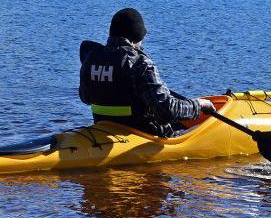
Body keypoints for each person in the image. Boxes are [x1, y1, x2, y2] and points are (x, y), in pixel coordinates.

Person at [79, 8, 214, 137]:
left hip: (105, 128)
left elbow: (85, 98)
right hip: (144, 134)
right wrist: (199, 104)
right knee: (209, 129)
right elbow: (166, 111)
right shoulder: (140, 63)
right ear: (136, 36)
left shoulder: (91, 59)